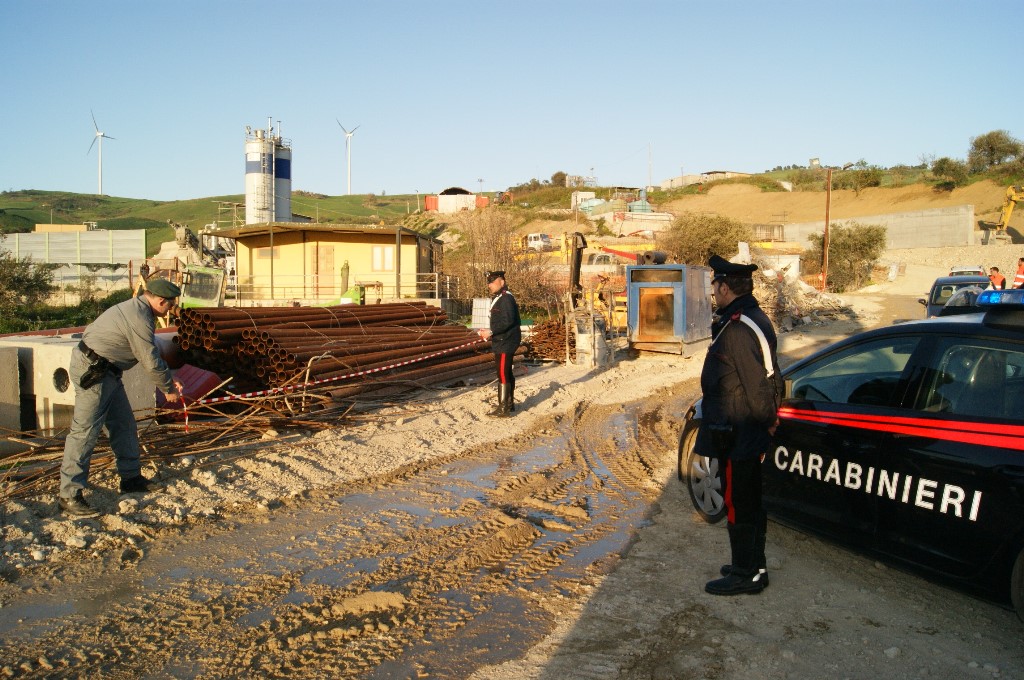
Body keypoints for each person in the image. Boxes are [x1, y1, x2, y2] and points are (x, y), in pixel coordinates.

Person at [695, 255, 784, 596]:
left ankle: (747, 573)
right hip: (740, 429)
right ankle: (751, 564)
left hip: (740, 432)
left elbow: (758, 384)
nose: (714, 292)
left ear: (726, 287)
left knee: (738, 501)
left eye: (716, 286)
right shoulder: (745, 318)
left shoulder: (740, 326)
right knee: (745, 500)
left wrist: (767, 422)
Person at [58, 278, 184, 518]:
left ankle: (130, 479)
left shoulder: (139, 309)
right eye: (170, 304)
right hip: (94, 372)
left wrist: (168, 377)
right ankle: (69, 495)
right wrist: (167, 388)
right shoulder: (139, 317)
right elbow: (148, 358)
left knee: (124, 424)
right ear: (160, 300)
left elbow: (152, 353)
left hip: (108, 372)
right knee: (84, 432)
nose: (171, 309)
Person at [476, 270, 522, 418]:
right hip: (502, 340)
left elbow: (507, 321)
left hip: (506, 341)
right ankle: (509, 404)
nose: (489, 285)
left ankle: (504, 408)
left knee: (502, 373)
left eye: (492, 282)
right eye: (488, 282)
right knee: (506, 372)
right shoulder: (500, 298)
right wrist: (490, 331)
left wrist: (490, 332)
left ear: (501, 281)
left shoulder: (506, 298)